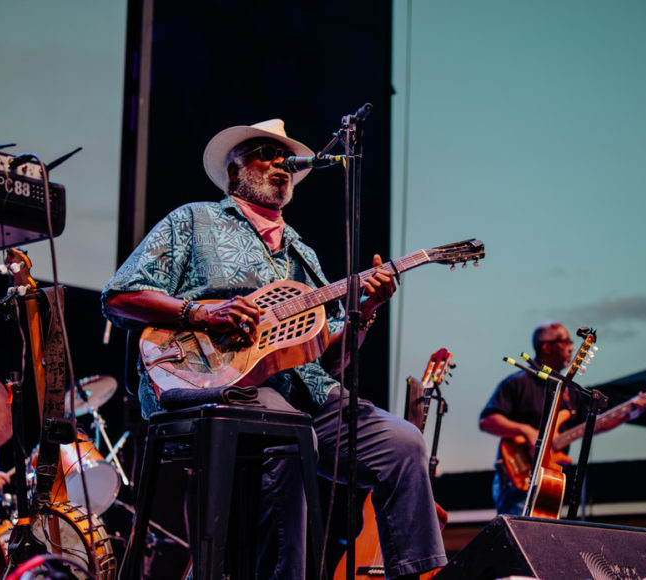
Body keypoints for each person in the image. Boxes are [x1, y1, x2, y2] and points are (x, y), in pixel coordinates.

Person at [102, 119, 446, 579]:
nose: (280, 164)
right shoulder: (194, 220)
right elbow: (120, 296)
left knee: (404, 444)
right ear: (235, 169)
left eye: (284, 158)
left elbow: (330, 358)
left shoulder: (302, 254)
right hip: (211, 379)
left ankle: (414, 575)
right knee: (284, 426)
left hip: (305, 392)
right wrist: (203, 313)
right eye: (265, 153)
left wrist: (364, 312)